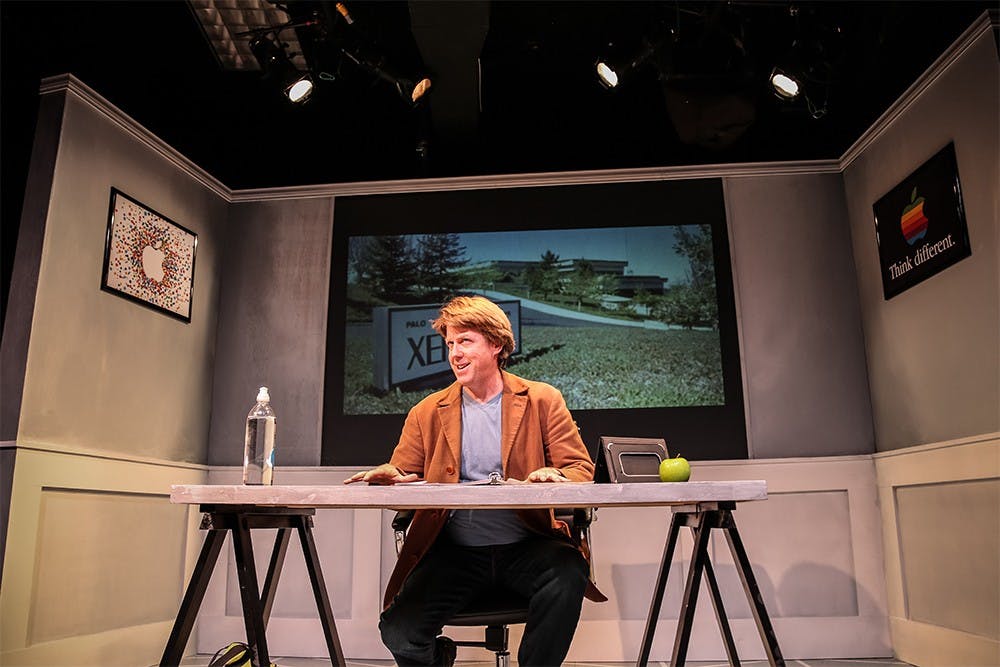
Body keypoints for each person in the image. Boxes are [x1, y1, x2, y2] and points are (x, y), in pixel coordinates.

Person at [345, 295, 605, 666]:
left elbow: (582, 470)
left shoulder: (542, 400)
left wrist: (556, 475)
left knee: (568, 571)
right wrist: (392, 480)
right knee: (399, 632)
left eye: (464, 341)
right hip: (455, 553)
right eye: (449, 343)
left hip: (527, 547)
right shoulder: (426, 411)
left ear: (496, 344)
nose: (454, 353)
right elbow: (404, 479)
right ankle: (439, 656)